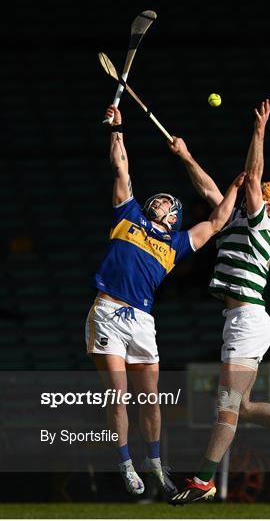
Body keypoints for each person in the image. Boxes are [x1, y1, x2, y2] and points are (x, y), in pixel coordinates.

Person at [168, 99, 270, 504]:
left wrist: (259, 131)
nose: (255, 192)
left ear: (269, 206)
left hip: (248, 319)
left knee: (226, 405)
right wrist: (186, 156)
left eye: (262, 194)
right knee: (243, 405)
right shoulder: (236, 220)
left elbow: (254, 174)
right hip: (243, 319)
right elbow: (207, 188)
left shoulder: (262, 222)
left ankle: (204, 480)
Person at [85, 105, 246, 497]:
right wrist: (116, 128)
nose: (159, 202)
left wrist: (236, 189)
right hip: (107, 311)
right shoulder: (128, 215)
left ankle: (155, 463)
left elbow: (216, 222)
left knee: (151, 401)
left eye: (166, 203)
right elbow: (121, 167)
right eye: (156, 200)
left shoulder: (176, 244)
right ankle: (125, 463)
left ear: (173, 215)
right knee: (118, 396)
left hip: (142, 320)